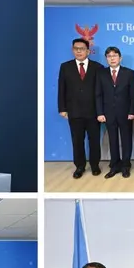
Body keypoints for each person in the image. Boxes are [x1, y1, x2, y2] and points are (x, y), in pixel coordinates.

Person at [58, 38, 104, 178]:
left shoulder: (98, 67)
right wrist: (62, 108)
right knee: (77, 140)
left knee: (94, 140)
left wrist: (101, 110)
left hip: (93, 111)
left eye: (82, 48)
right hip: (74, 111)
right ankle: (79, 166)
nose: (79, 51)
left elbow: (101, 91)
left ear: (88, 51)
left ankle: (95, 165)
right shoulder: (65, 67)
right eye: (76, 48)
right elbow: (62, 89)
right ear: (73, 50)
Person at [95, 47, 134, 179]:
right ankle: (114, 166)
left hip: (125, 113)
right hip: (108, 113)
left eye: (114, 56)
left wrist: (132, 111)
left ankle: (125, 166)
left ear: (120, 58)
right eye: (109, 56)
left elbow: (133, 95)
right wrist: (100, 113)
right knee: (112, 140)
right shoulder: (101, 73)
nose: (112, 58)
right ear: (106, 58)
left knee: (126, 140)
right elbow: (98, 95)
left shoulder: (129, 73)